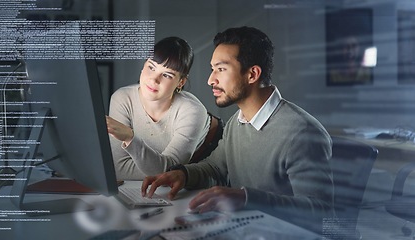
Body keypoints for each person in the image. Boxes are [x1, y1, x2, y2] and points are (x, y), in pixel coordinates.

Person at [142, 26, 334, 234]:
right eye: (212, 69)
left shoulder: (301, 133)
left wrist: (245, 198)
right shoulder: (237, 121)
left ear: (252, 74)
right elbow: (216, 168)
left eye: (221, 69)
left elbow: (321, 213)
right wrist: (183, 175)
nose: (211, 80)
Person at [106, 36, 210, 180]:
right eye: (151, 67)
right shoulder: (123, 98)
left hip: (204, 170)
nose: (154, 79)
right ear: (143, 66)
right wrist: (158, 168)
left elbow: (170, 172)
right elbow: (118, 168)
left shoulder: (192, 110)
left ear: (181, 82)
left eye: (167, 75)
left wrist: (130, 137)